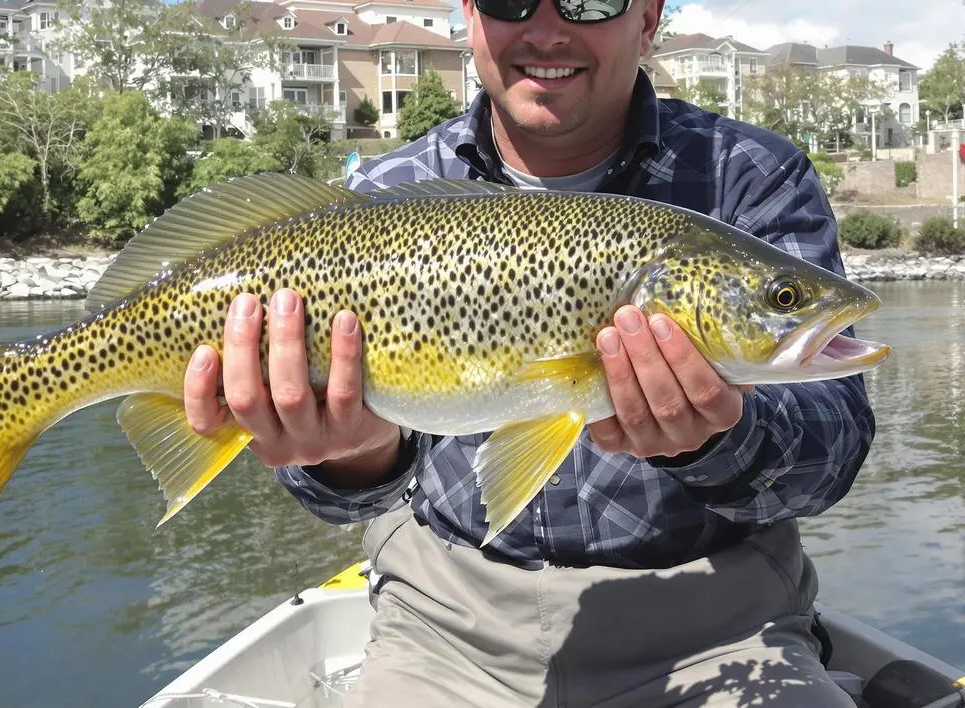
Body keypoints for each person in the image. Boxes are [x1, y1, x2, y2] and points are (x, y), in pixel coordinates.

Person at [182, 0, 874, 705]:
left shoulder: (752, 175)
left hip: (721, 633)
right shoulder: (380, 196)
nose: (547, 31)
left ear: (648, 18)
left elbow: (832, 457)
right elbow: (334, 497)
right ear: (470, 15)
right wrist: (353, 455)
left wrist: (722, 438)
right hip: (445, 636)